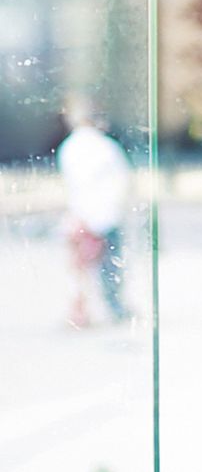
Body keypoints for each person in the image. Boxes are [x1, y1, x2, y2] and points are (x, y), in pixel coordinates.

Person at [56, 102, 135, 328]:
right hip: (106, 215)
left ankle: (81, 312)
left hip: (81, 215)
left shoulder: (69, 147)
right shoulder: (106, 147)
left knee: (80, 269)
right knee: (110, 266)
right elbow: (123, 181)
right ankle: (113, 307)